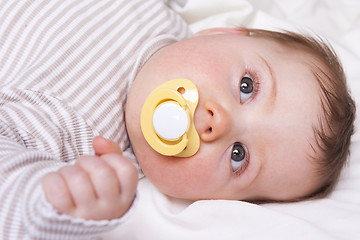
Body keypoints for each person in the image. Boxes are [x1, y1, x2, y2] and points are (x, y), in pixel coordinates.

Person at [0, 0, 355, 239]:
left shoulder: (84, 143)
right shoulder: (162, 12)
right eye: (247, 86)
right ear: (222, 33)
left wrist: (53, 206)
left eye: (238, 156)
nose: (221, 123)